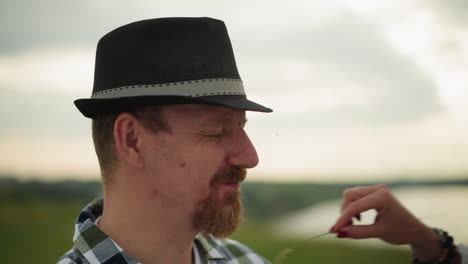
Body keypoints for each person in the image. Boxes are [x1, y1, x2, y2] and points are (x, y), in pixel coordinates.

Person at [56, 17, 466, 264]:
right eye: (216, 132)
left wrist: (429, 246)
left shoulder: (243, 259)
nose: (250, 157)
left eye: (244, 128)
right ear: (132, 140)